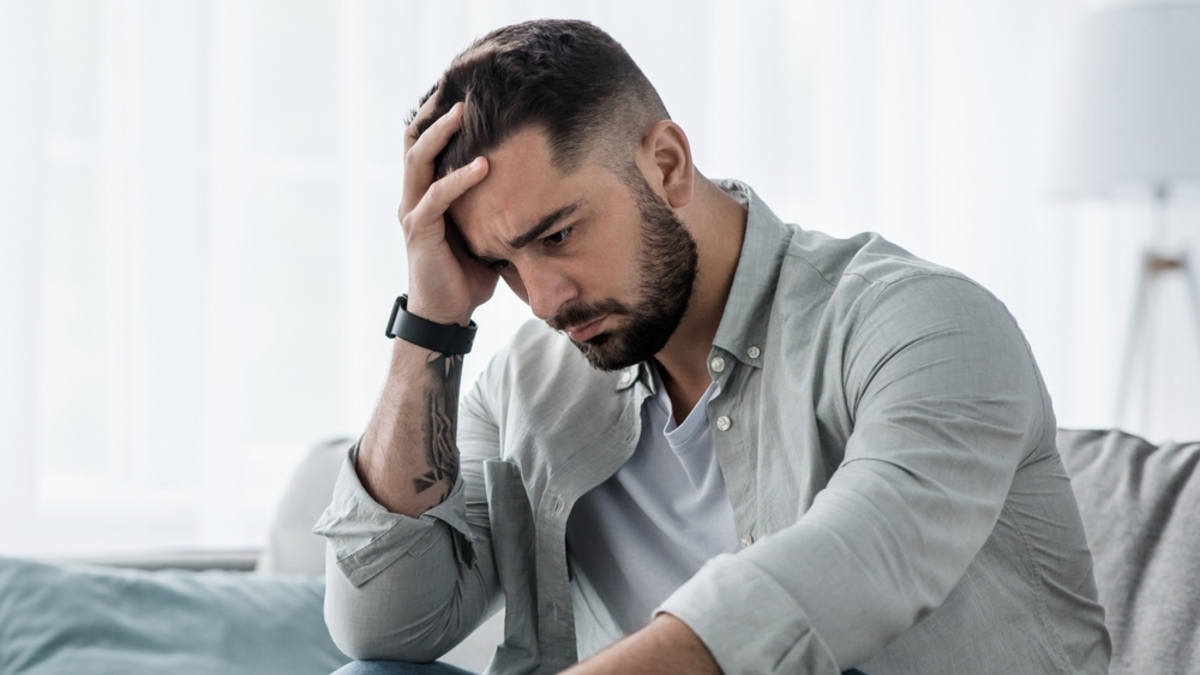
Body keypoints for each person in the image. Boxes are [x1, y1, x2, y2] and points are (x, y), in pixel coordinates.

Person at [314, 19, 1110, 675]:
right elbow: (383, 624)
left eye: (558, 234)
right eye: (502, 265)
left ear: (666, 164)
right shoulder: (528, 384)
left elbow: (852, 569)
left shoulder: (922, 325)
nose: (545, 300)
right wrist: (432, 322)